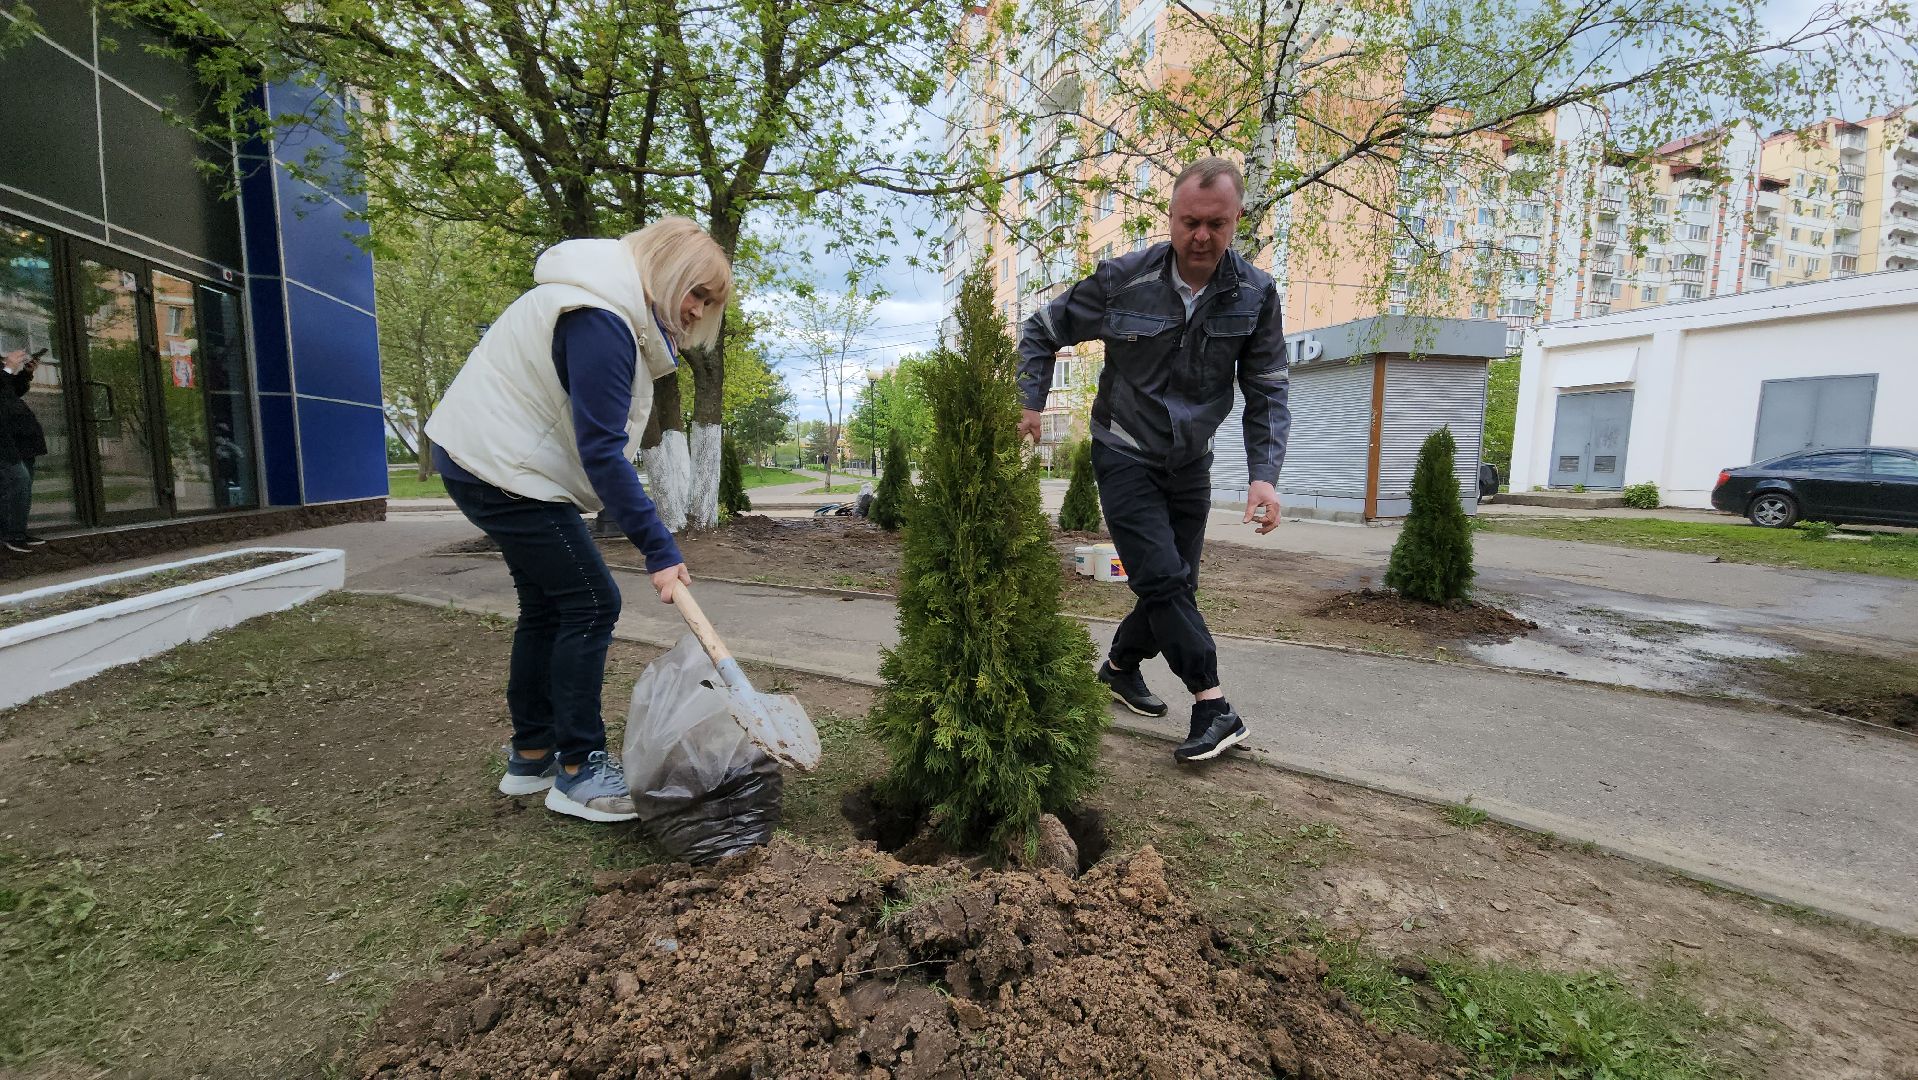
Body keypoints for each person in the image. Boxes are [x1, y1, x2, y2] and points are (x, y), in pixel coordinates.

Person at [425, 217, 730, 823]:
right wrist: (660, 549)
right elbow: (602, 451)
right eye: (695, 291)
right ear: (665, 269)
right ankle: (578, 771)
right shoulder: (601, 319)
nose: (697, 310)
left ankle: (532, 754)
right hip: (501, 468)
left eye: (709, 302)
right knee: (592, 602)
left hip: (486, 461)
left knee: (549, 606)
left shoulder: (605, 306)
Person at [1018, 157, 1290, 763]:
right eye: (1190, 222)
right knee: (1162, 580)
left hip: (1191, 460)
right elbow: (1041, 329)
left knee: (1177, 584)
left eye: (1216, 224)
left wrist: (1264, 477)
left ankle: (1118, 667)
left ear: (1236, 219)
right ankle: (1212, 704)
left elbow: (1268, 387)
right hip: (1124, 450)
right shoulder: (1124, 280)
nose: (1201, 236)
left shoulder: (1255, 294)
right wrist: (1028, 403)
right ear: (1169, 217)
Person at [0, 348, 49, 555]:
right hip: (4, 440)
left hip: (20, 437)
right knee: (17, 480)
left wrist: (25, 373)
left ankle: (18, 531)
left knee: (24, 482)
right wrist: (8, 369)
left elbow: (10, 392)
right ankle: (11, 535)